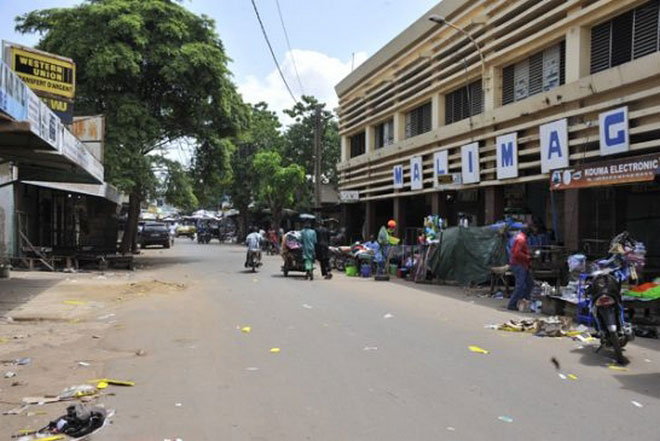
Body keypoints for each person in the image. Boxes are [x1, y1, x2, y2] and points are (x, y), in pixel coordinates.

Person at [507, 226, 533, 310]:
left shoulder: (520, 238)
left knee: (529, 283)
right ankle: (512, 304)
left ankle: (524, 301)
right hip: (519, 264)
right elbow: (516, 253)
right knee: (520, 285)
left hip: (522, 264)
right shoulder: (521, 239)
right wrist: (527, 256)